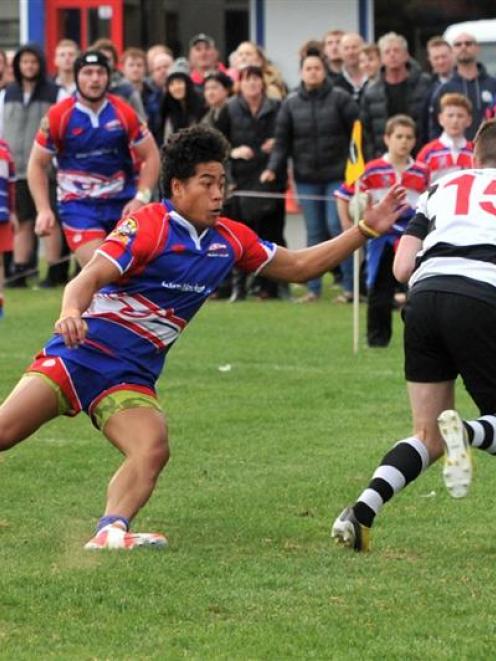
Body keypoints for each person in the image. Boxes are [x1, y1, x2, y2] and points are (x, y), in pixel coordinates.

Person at [0, 124, 407, 550]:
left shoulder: (230, 240)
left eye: (222, 183)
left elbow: (301, 267)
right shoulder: (148, 225)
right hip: (78, 355)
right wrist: (69, 312)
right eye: (207, 183)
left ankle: (111, 531)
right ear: (177, 186)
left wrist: (365, 229)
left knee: (152, 448)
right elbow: (87, 279)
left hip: (129, 375)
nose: (219, 194)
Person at [331, 118, 496, 553]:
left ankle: (362, 511)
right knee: (478, 424)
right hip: (483, 296)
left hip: (424, 300)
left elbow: (401, 268)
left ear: (474, 155)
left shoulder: (443, 186)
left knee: (427, 434)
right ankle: (469, 431)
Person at [27, 51, 160, 267]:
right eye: (88, 73)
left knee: (130, 275)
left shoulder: (123, 112)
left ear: (108, 77)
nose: (95, 79)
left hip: (122, 204)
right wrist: (43, 209)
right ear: (77, 77)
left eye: (100, 72)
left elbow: (152, 155)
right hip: (78, 206)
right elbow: (36, 164)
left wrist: (141, 198)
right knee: (103, 270)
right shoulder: (58, 115)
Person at [262, 48, 359, 303]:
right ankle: (313, 289)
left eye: (317, 68)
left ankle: (350, 287)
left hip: (338, 176)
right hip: (305, 177)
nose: (313, 72)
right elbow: (282, 142)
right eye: (308, 69)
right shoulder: (291, 103)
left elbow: (358, 135)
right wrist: (272, 167)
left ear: (324, 71)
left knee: (338, 229)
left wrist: (361, 168)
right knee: (314, 232)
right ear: (301, 73)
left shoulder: (341, 98)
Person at [335, 114, 429, 346]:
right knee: (379, 289)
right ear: (387, 138)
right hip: (381, 237)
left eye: (409, 137)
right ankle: (377, 339)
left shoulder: (421, 171)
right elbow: (343, 194)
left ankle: (420, 338)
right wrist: (348, 225)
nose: (404, 142)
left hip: (412, 235)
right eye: (398, 136)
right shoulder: (372, 169)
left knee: (417, 288)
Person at [216, 65, 286, 300]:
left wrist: (272, 166)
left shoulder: (276, 107)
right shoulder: (230, 108)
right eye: (248, 80)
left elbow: (282, 141)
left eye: (257, 79)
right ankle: (238, 287)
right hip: (240, 179)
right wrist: (233, 152)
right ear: (240, 84)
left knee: (270, 234)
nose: (253, 84)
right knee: (239, 235)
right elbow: (218, 143)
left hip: (268, 179)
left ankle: (270, 287)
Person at [0, 43, 66, 288]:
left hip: (46, 169)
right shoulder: (7, 94)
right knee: (22, 221)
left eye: (33, 62)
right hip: (15, 170)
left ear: (40, 64)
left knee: (49, 219)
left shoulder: (55, 93)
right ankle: (19, 272)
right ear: (17, 66)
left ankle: (53, 271)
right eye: (24, 62)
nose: (29, 66)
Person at [360, 32, 431, 159]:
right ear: (381, 58)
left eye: (396, 51)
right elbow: (366, 133)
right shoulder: (371, 91)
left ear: (406, 55)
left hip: (419, 156)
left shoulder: (424, 84)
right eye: (387, 52)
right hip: (383, 159)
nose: (392, 55)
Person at [431, 32, 496, 141]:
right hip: (455, 153)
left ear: (477, 48)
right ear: (452, 51)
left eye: (468, 43)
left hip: (489, 152)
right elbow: (434, 128)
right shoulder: (444, 89)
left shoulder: (493, 85)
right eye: (458, 44)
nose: (463, 47)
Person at [417, 93, 473, 183]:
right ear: (440, 119)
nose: (455, 121)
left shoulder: (474, 152)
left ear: (469, 120)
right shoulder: (428, 153)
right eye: (450, 115)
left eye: (460, 116)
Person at [90, 38, 146, 119]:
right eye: (101, 59)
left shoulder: (126, 88)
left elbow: (141, 120)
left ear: (114, 62)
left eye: (108, 59)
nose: (105, 63)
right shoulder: (86, 86)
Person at [158, 58, 206, 146]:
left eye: (179, 82)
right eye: (171, 84)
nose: (176, 87)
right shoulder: (167, 108)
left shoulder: (202, 104)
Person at [421, 36, 454, 143]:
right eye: (436, 58)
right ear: (430, 60)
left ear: (452, 55)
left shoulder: (465, 83)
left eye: (444, 57)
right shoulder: (426, 87)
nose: (440, 62)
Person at [0, 137, 16, 316]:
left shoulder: (4, 147)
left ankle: (0, 302)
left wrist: (13, 213)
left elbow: (11, 183)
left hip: (2, 213)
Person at [333, 32, 368, 103]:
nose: (350, 52)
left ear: (363, 49)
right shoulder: (334, 84)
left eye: (354, 47)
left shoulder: (376, 79)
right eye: (346, 48)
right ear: (340, 52)